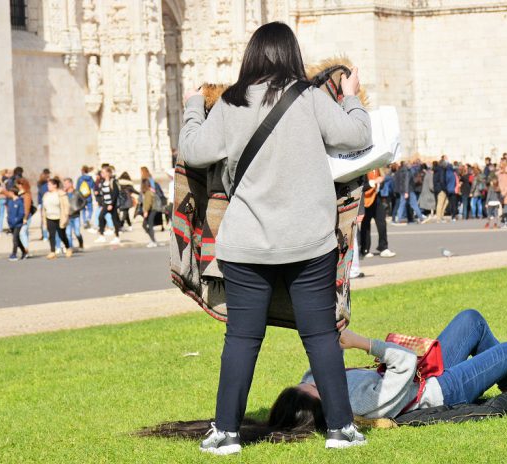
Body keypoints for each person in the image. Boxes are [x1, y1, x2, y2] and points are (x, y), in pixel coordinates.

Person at [179, 22, 372, 454]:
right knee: (320, 335)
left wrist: (194, 104)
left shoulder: (229, 103)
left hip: (247, 243)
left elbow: (193, 150)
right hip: (309, 241)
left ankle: (226, 432)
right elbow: (358, 135)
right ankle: (340, 429)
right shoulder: (309, 98)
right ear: (291, 53)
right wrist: (352, 95)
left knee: (243, 340)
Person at [269, 310, 507, 430]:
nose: (314, 382)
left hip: (422, 374)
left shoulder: (316, 385)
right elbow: (402, 363)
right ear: (321, 409)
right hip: (435, 390)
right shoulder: (356, 404)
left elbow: (312, 373)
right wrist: (363, 342)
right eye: (314, 390)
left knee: (471, 320)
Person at [361, 169, 396, 258]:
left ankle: (383, 248)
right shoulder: (363, 170)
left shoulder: (378, 169)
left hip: (377, 198)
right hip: (366, 201)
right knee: (365, 226)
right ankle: (365, 249)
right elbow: (361, 187)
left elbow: (381, 184)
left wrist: (380, 182)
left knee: (382, 224)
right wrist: (374, 182)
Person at [42, 178, 72, 259]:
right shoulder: (46, 195)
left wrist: (66, 215)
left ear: (55, 185)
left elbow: (66, 206)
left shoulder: (61, 194)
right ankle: (52, 252)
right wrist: (43, 217)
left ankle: (68, 247)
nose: (48, 186)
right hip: (49, 217)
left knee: (62, 235)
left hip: (59, 217)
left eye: (49, 185)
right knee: (51, 235)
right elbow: (44, 208)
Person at [94, 166, 121, 244]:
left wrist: (112, 204)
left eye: (103, 172)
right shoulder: (102, 182)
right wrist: (99, 195)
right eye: (101, 172)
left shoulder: (113, 181)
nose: (102, 174)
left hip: (112, 204)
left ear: (108, 173)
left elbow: (115, 193)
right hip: (105, 204)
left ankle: (117, 237)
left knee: (114, 220)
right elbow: (104, 193)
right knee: (101, 217)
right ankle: (102, 235)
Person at [6, 187, 28, 261]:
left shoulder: (19, 202)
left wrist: (16, 220)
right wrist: (9, 220)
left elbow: (21, 213)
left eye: (9, 192)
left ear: (13, 193)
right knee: (17, 240)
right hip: (11, 224)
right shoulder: (10, 202)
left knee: (15, 239)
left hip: (18, 224)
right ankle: (24, 252)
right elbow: (9, 213)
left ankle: (14, 254)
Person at [63, 178, 85, 250]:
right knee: (68, 234)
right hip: (68, 216)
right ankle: (70, 247)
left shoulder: (77, 192)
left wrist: (79, 208)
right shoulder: (64, 194)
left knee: (77, 232)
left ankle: (81, 244)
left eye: (66, 183)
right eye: (64, 183)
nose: (65, 185)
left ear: (71, 184)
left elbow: (84, 201)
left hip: (76, 216)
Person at [15, 178, 33, 257]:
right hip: (20, 216)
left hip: (26, 216)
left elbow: (27, 207)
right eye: (18, 184)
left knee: (22, 233)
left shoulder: (26, 194)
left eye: (20, 184)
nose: (18, 186)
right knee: (25, 233)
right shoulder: (19, 193)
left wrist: (25, 217)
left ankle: (26, 250)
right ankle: (25, 249)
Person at [76, 166, 96, 230]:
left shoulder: (80, 178)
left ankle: (84, 221)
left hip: (81, 196)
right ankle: (88, 218)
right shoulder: (90, 178)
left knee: (83, 210)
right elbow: (93, 187)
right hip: (88, 196)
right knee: (90, 209)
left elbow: (77, 188)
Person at [140, 181, 158, 248]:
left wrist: (145, 211)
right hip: (151, 210)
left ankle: (153, 241)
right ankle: (152, 239)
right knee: (146, 225)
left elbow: (148, 202)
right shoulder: (149, 191)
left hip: (150, 211)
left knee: (148, 225)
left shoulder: (148, 192)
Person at [37, 169, 51, 241]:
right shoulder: (48, 184)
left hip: (43, 203)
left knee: (43, 220)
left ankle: (44, 235)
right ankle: (47, 235)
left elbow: (39, 194)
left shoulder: (40, 183)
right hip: (49, 203)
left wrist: (39, 203)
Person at [433, 157, 448, 222]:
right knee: (440, 203)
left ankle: (441, 216)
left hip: (437, 187)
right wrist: (444, 188)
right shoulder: (441, 170)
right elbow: (442, 180)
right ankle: (439, 218)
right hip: (441, 188)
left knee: (445, 201)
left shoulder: (436, 170)